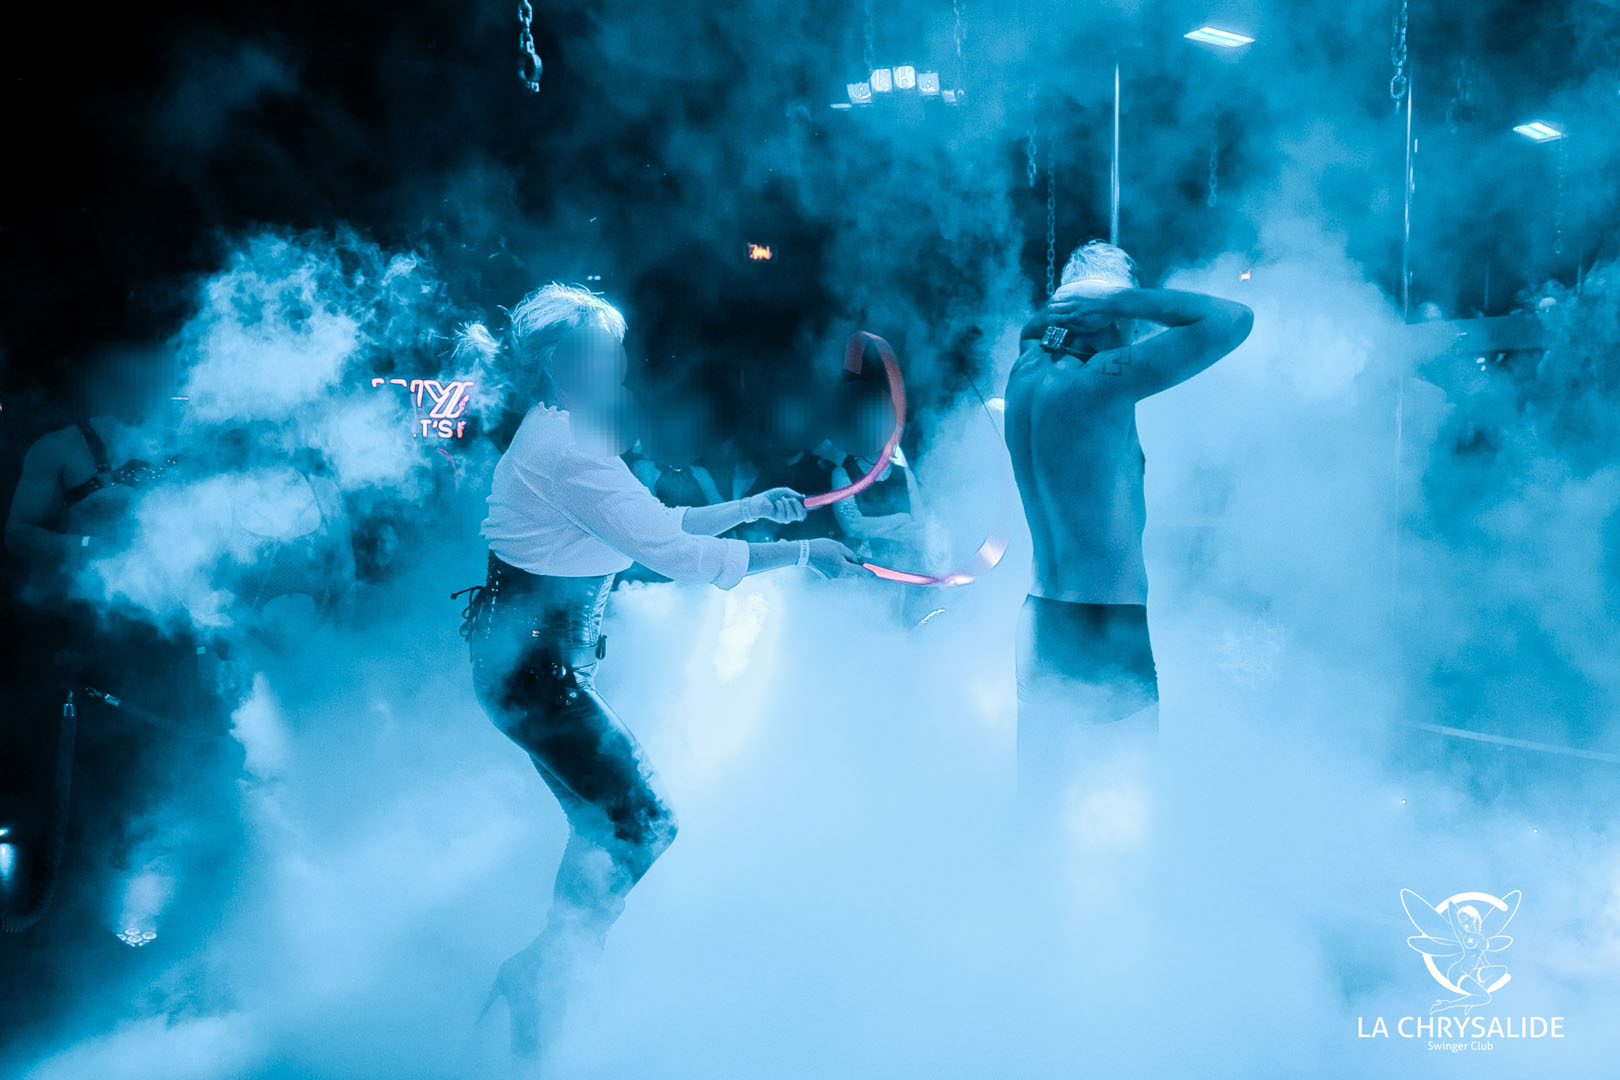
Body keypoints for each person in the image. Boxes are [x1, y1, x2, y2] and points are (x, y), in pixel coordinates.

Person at [457, 283, 867, 1056]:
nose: (618, 366)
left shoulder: (561, 433)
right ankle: (547, 973)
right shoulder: (571, 451)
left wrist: (748, 508)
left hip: (527, 670)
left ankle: (549, 980)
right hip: (535, 676)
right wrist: (804, 552)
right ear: (559, 364)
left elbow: (651, 526)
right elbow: (675, 555)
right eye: (600, 353)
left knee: (602, 824)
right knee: (645, 824)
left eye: (617, 350)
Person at [1004, 241, 1252, 793]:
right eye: (1130, 323)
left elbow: (1035, 328)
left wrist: (1077, 309)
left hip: (1040, 625)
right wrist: (1124, 300)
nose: (1137, 335)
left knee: (1037, 805)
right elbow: (1234, 319)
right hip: (1107, 629)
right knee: (1122, 813)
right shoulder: (1100, 383)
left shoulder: (1024, 372)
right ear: (1111, 316)